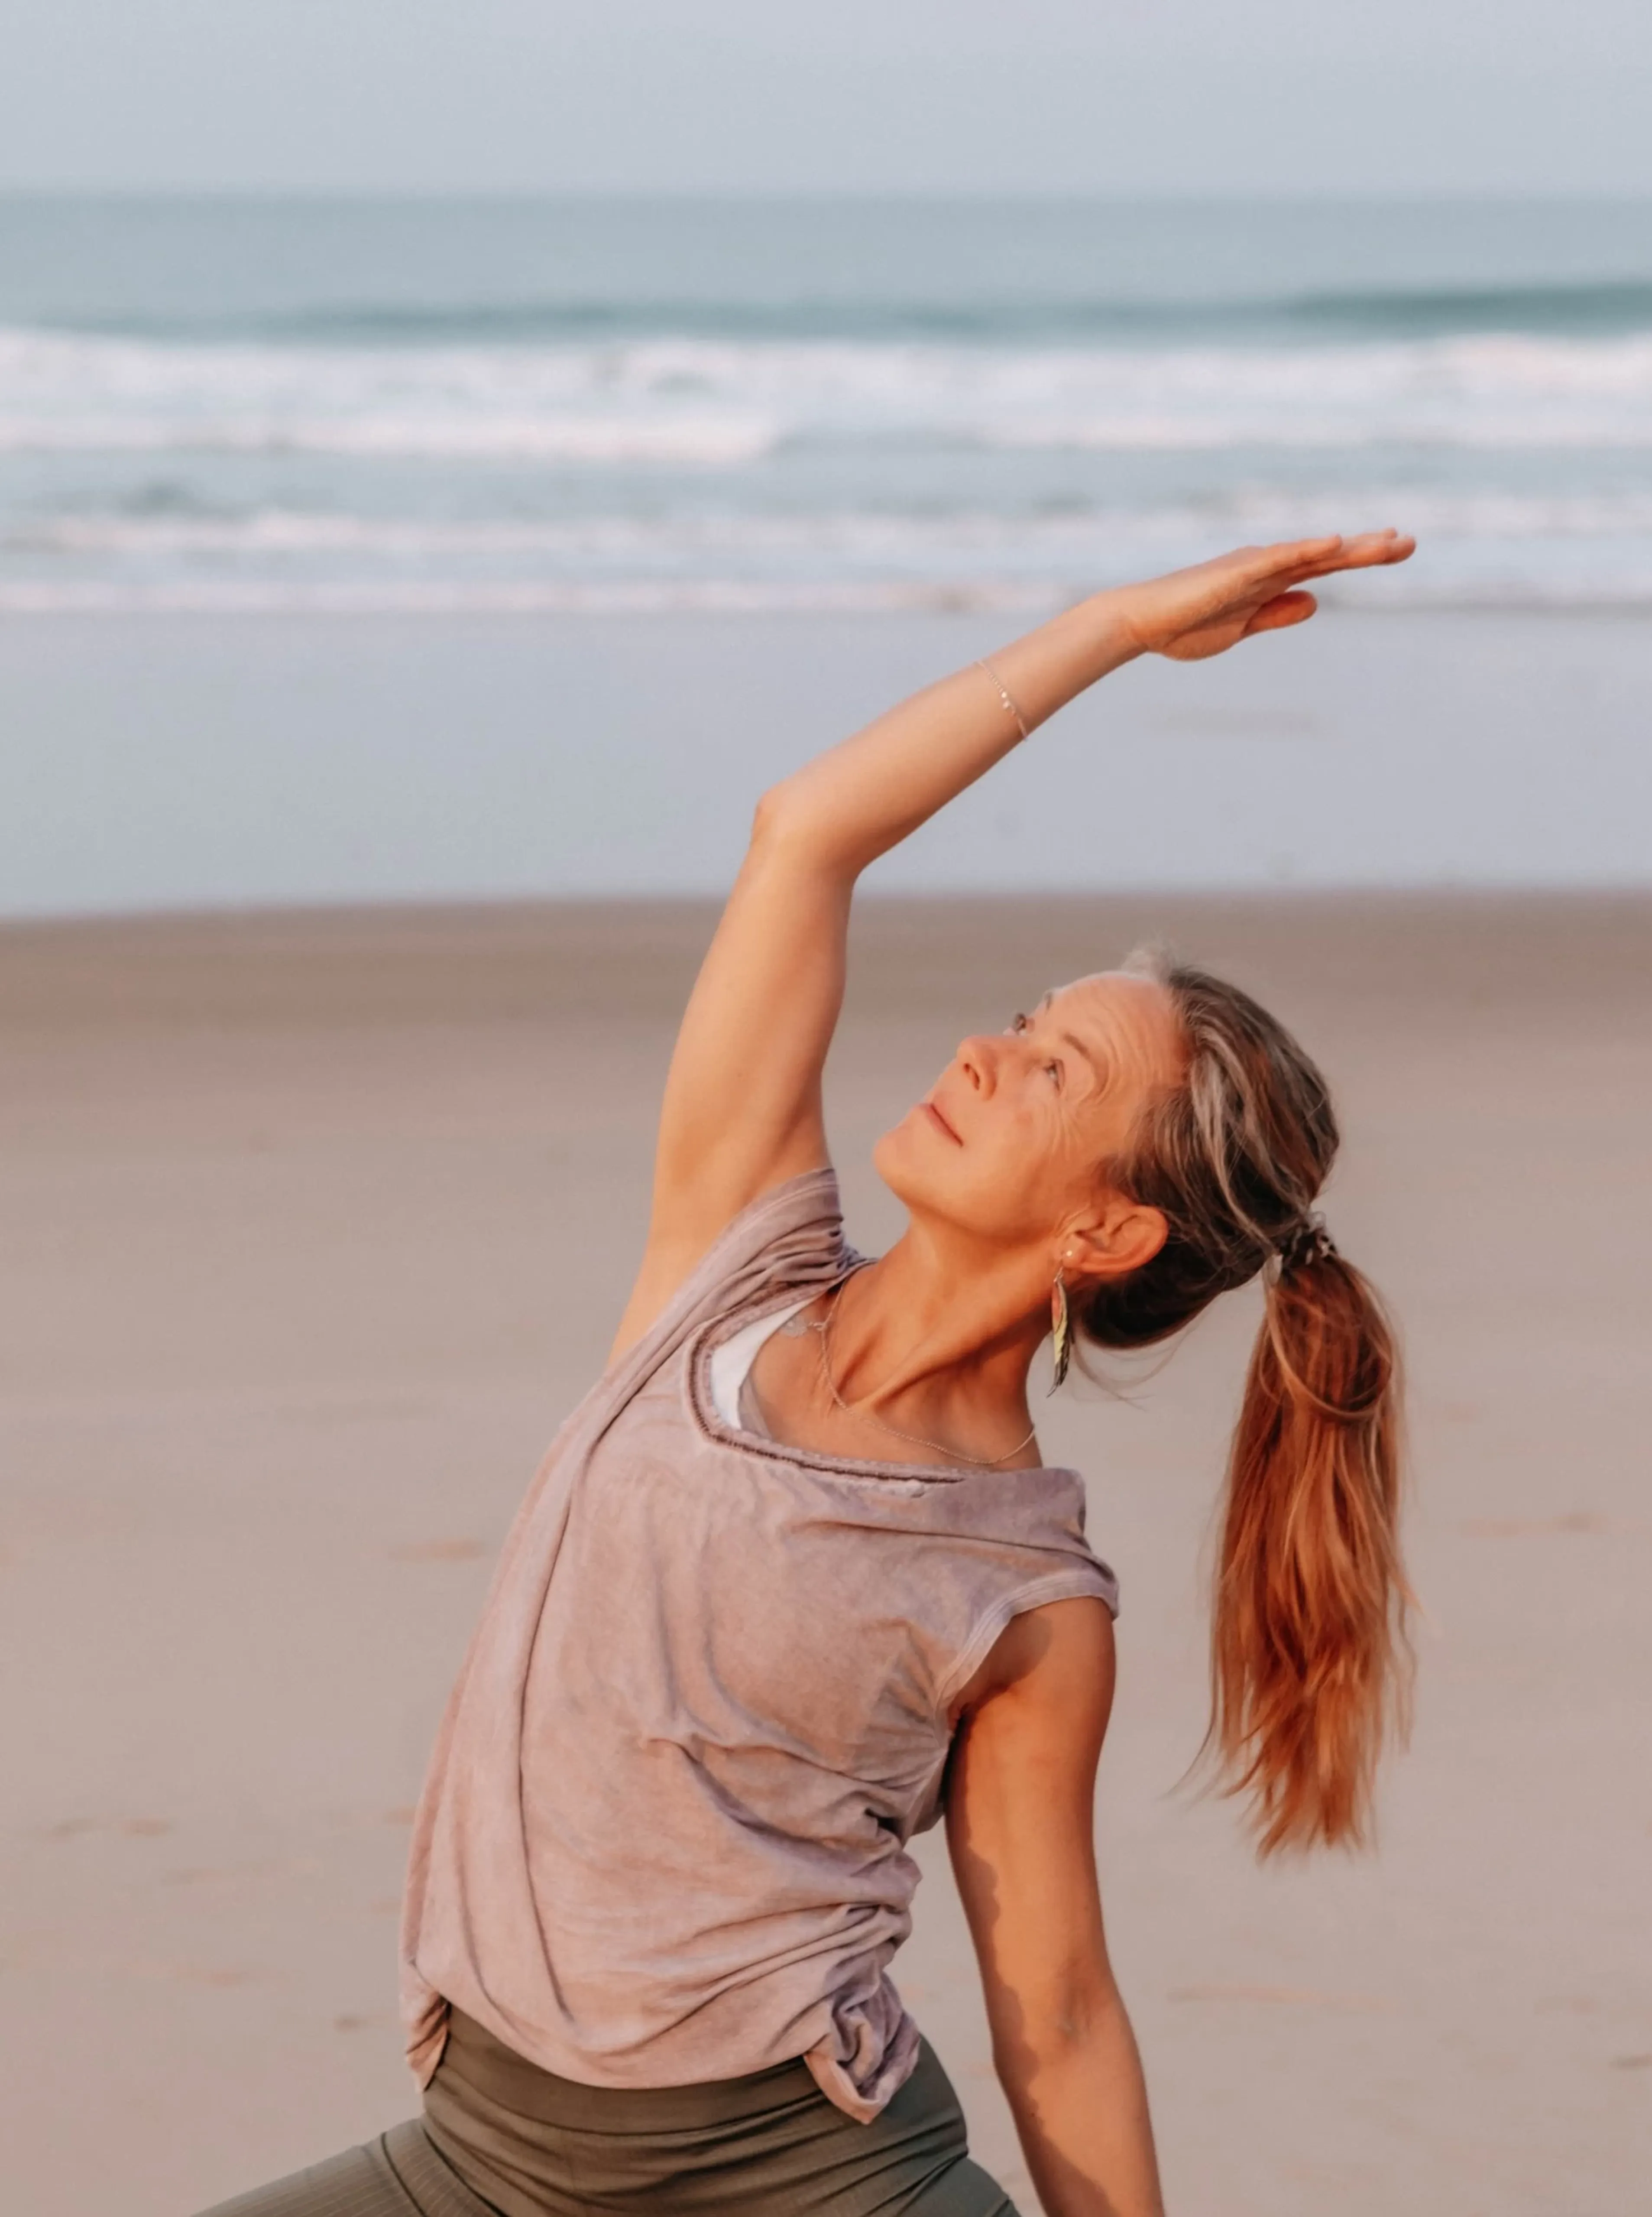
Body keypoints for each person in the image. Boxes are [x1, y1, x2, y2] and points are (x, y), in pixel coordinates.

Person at [203, 534, 1416, 2217]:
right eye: (1019, 1015)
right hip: (478, 2162)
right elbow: (808, 832)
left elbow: (1056, 2014)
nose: (983, 1051)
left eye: (1054, 1066)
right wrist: (1112, 632)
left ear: (1110, 1230)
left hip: (803, 2181)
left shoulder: (1028, 1596)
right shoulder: (735, 1264)